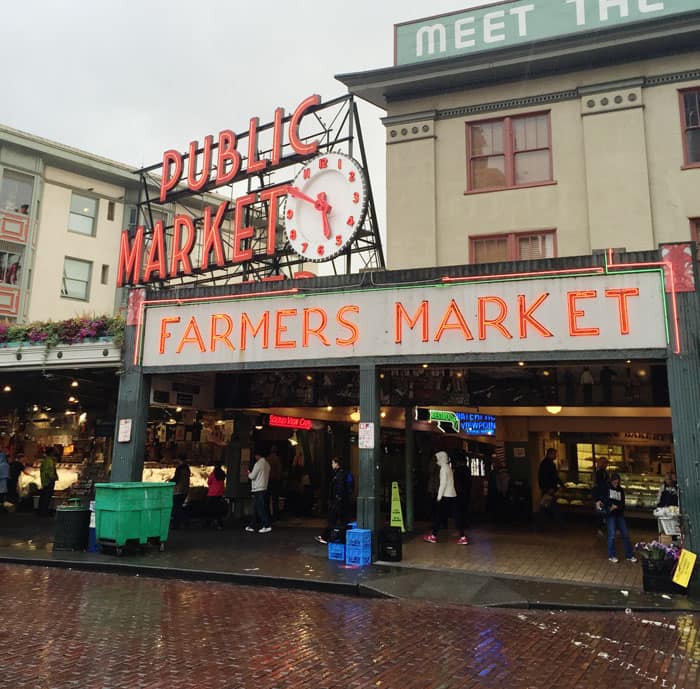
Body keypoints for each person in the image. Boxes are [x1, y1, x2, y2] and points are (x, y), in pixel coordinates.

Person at [601, 473, 637, 563]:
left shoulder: (621, 490)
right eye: (614, 482)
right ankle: (611, 555)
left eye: (617, 482)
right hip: (611, 515)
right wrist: (610, 506)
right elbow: (605, 500)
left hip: (619, 514)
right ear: (611, 481)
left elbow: (623, 503)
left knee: (626, 534)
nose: (616, 484)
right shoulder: (607, 489)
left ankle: (629, 555)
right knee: (612, 535)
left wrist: (617, 507)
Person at [424, 451, 457, 543]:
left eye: (438, 458)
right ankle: (462, 536)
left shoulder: (443, 469)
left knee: (439, 515)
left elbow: (443, 484)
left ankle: (433, 536)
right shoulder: (448, 468)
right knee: (455, 515)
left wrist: (439, 496)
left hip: (445, 495)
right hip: (452, 494)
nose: (437, 460)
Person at [316, 457, 348, 544]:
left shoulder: (339, 475)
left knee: (332, 520)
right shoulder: (340, 473)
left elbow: (339, 488)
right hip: (339, 501)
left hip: (337, 501)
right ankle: (327, 537)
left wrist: (337, 499)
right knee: (339, 520)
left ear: (337, 464)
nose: (332, 465)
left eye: (333, 463)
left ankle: (324, 537)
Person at [247, 449, 271, 533]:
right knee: (257, 508)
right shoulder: (267, 464)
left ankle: (266, 525)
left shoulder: (258, 464)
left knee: (260, 508)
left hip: (257, 488)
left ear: (258, 455)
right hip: (264, 487)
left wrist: (248, 473)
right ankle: (251, 525)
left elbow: (252, 476)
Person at [537, 447, 564, 523]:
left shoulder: (546, 463)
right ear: (551, 454)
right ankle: (559, 522)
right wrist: (550, 487)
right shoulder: (548, 464)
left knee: (546, 506)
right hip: (549, 489)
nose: (556, 456)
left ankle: (541, 522)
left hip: (547, 489)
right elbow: (549, 477)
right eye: (555, 454)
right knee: (549, 506)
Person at [451, 450, 471, 545]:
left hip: (458, 495)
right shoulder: (467, 469)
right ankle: (462, 530)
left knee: (458, 513)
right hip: (466, 494)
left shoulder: (458, 471)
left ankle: (461, 532)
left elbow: (457, 484)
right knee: (463, 511)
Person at [169, 456, 191, 529]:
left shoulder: (179, 469)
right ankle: (179, 523)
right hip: (185, 490)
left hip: (178, 490)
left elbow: (176, 479)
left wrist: (169, 481)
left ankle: (182, 522)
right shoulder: (187, 469)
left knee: (176, 508)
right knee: (179, 507)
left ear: (179, 460)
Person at [206, 463, 227, 530]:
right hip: (220, 493)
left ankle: (209, 523)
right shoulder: (223, 474)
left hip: (212, 494)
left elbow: (209, 482)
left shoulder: (213, 474)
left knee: (210, 509)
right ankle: (219, 524)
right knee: (218, 509)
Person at [593, 456, 610, 536]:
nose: (606, 465)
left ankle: (601, 527)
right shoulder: (600, 473)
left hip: (602, 495)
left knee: (602, 512)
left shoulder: (602, 472)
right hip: (600, 495)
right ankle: (599, 528)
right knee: (600, 512)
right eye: (605, 463)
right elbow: (601, 484)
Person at [38, 448, 58, 516]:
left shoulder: (45, 460)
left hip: (45, 481)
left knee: (44, 497)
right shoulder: (49, 461)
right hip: (48, 481)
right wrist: (53, 478)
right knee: (46, 497)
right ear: (51, 453)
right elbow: (48, 472)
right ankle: (44, 512)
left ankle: (41, 511)